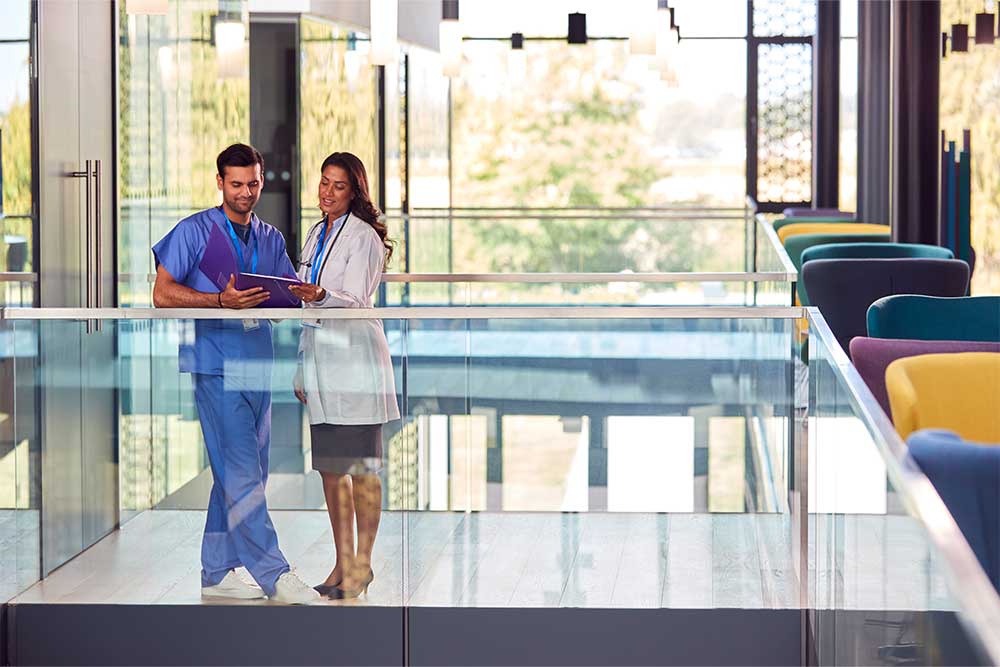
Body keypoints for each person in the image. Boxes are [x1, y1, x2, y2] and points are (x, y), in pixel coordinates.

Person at [151, 143, 320, 605]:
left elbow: (285, 298)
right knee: (242, 472)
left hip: (257, 365)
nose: (246, 192)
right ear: (220, 182)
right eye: (236, 184)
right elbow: (162, 294)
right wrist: (218, 301)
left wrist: (304, 295)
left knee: (246, 472)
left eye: (253, 183)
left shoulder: (269, 238)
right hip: (216, 365)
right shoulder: (193, 231)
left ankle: (216, 570)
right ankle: (273, 573)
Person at [288, 152, 399, 600]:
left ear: (354, 191)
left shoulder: (365, 236)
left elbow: (355, 299)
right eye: (323, 183)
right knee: (330, 471)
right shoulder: (317, 233)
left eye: (337, 185)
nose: (327, 192)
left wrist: (320, 293)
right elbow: (305, 305)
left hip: (354, 363)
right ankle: (341, 561)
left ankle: (363, 566)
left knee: (361, 469)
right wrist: (301, 364)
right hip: (319, 360)